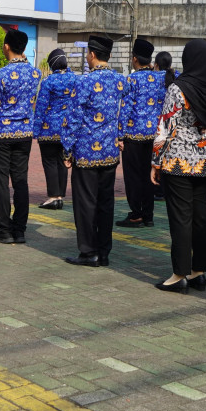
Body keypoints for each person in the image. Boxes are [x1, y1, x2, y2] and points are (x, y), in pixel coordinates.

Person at [151, 39, 206, 292]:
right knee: (201, 217)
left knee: (181, 218)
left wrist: (155, 162)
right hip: (205, 162)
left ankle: (178, 274)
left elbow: (165, 128)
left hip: (178, 162)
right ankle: (198, 272)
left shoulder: (178, 89)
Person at [62, 35, 126, 266]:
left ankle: (89, 252)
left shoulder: (84, 82)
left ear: (92, 54)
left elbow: (73, 118)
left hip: (87, 153)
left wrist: (67, 149)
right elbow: (125, 109)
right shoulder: (120, 81)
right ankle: (104, 251)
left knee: (86, 203)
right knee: (105, 204)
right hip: (109, 152)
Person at [0, 29, 41, 244]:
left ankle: (3, 229)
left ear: (6, 46)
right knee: (20, 181)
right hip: (24, 134)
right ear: (23, 49)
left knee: (0, 183)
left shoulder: (0, 75)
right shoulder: (35, 74)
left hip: (1, 134)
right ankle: (20, 229)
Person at [118, 38, 165, 228]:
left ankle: (136, 213)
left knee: (133, 177)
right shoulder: (159, 78)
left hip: (134, 136)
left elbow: (125, 108)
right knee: (150, 175)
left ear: (135, 59)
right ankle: (148, 214)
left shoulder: (131, 79)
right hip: (154, 136)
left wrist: (120, 135)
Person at [34, 48, 76, 210]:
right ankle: (60, 196)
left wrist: (36, 130)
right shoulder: (75, 79)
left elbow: (41, 107)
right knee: (62, 161)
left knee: (50, 162)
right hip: (67, 129)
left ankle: (53, 197)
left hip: (49, 129)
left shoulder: (48, 81)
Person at [152, 50, 175, 204]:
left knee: (156, 158)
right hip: (172, 125)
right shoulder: (177, 76)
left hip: (157, 125)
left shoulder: (152, 78)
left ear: (156, 65)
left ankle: (158, 190)